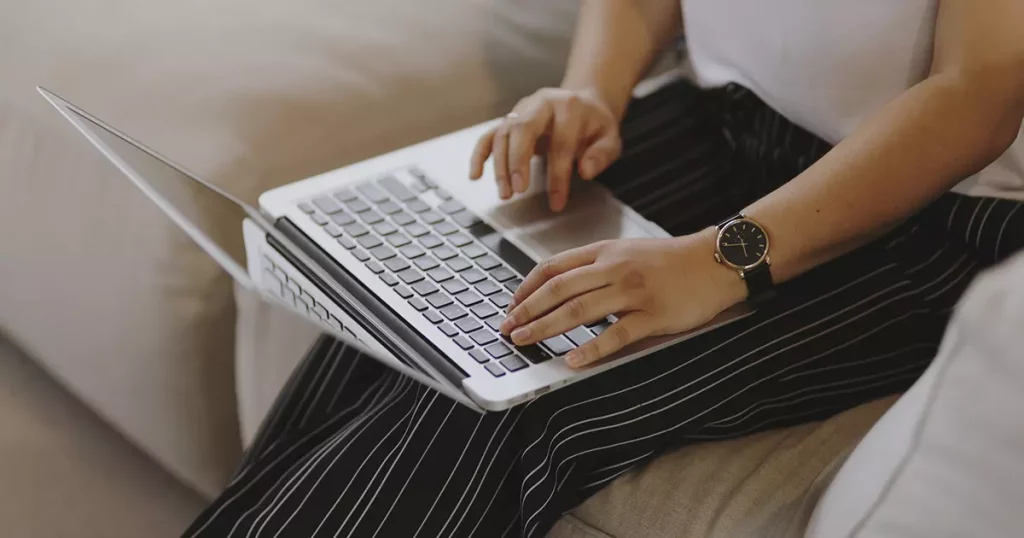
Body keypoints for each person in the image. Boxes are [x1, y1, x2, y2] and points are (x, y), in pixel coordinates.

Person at [186, 1, 1024, 537]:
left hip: (926, 213)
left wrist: (720, 261)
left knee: (523, 400)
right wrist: (591, 90)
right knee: (398, 309)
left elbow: (979, 90)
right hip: (715, 122)